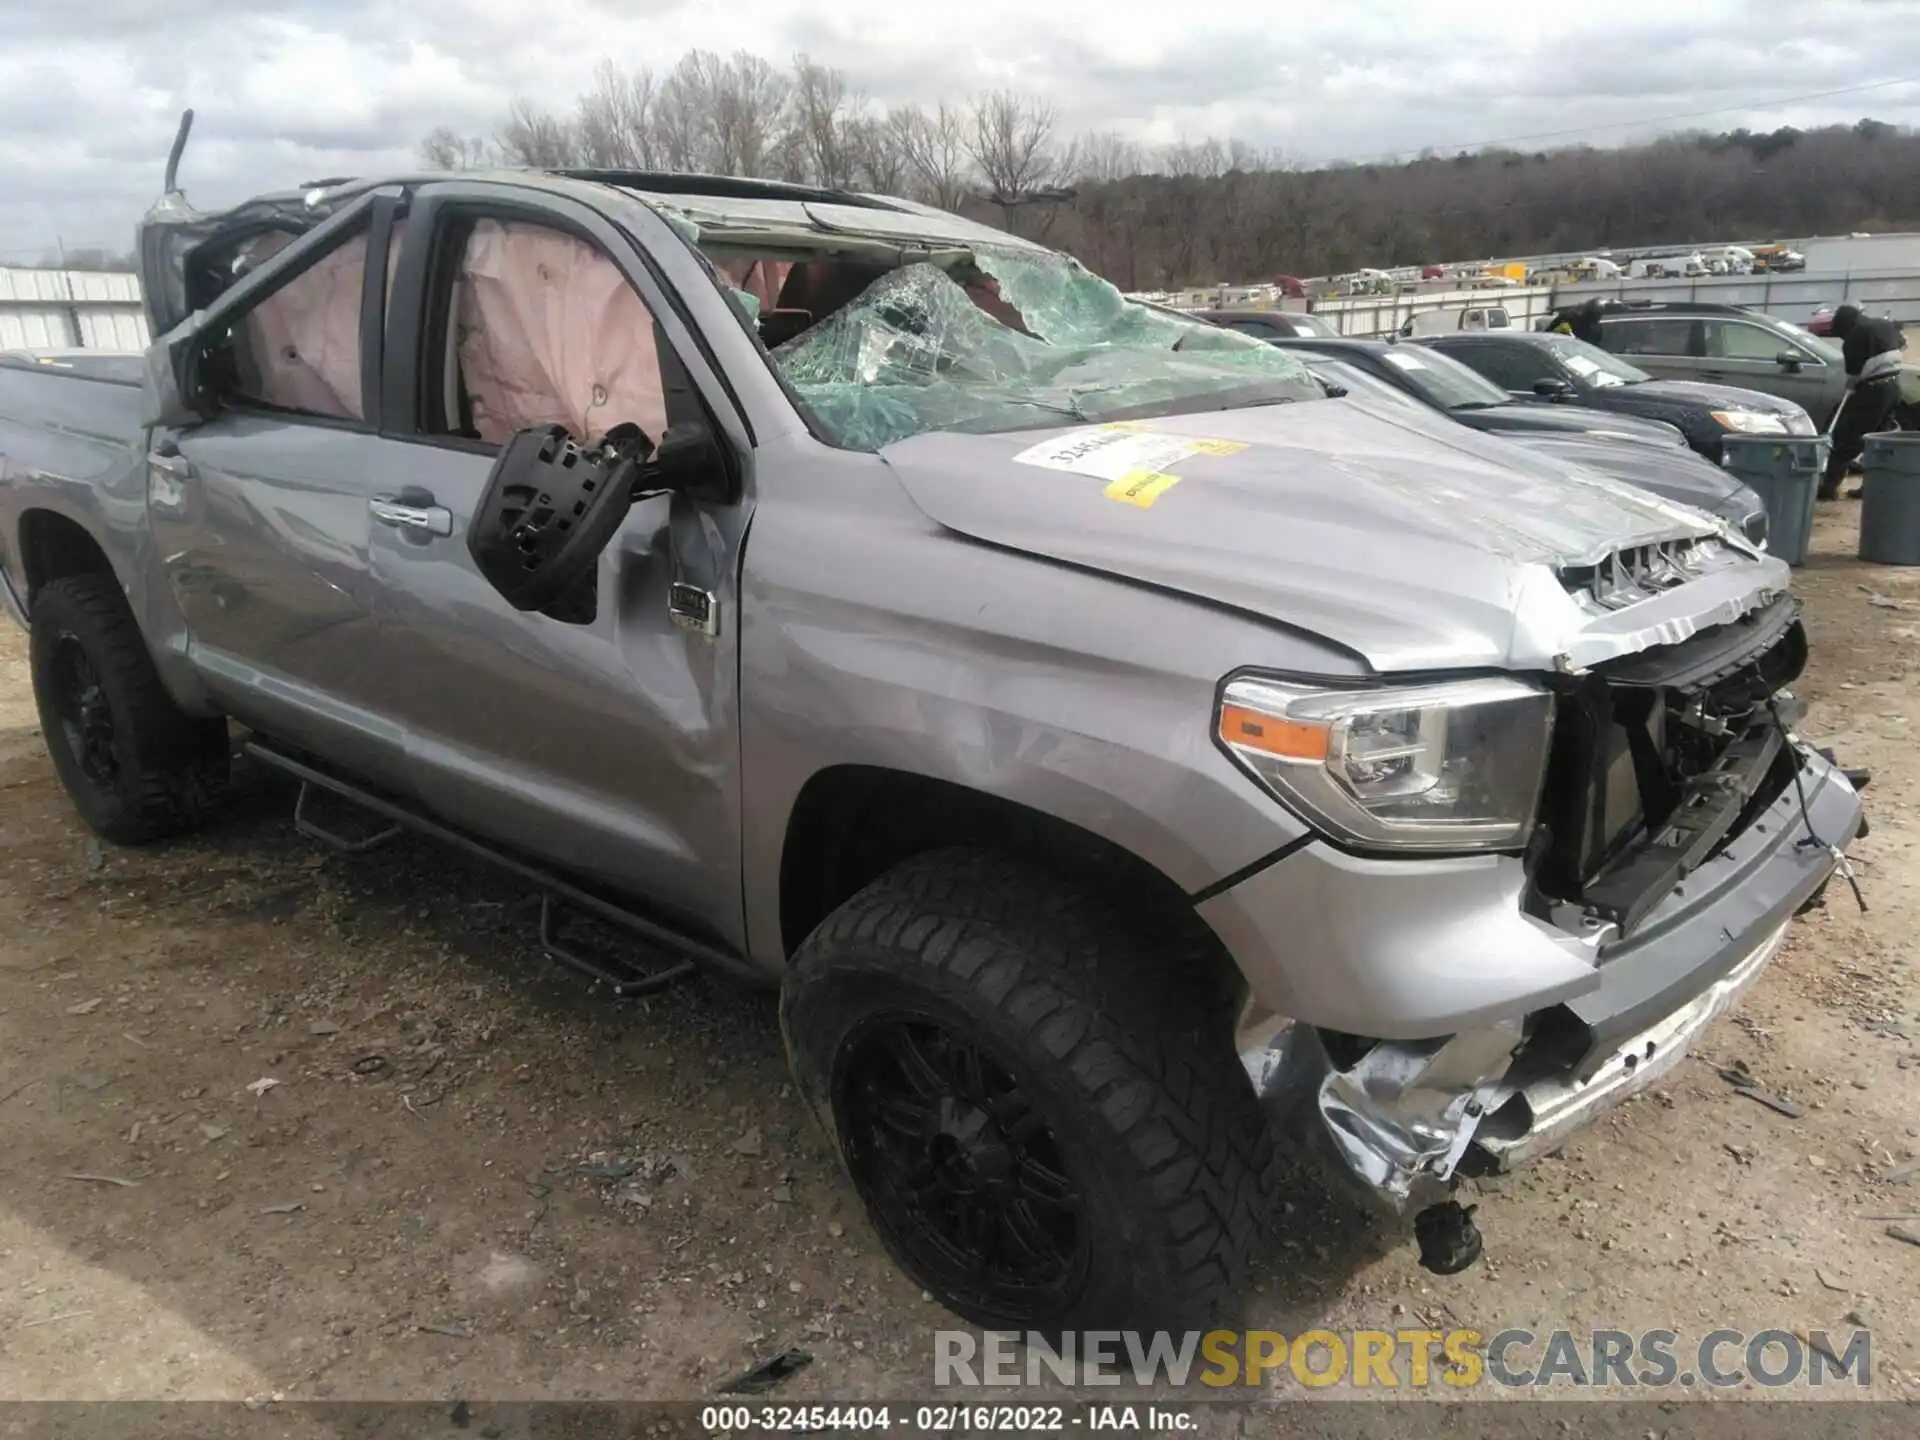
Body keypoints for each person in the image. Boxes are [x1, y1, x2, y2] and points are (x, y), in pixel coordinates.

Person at [1820, 304, 1906, 499]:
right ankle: (1873, 486)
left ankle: (1829, 487)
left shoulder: (1853, 337)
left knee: (1847, 436)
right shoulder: (1884, 326)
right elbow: (1902, 343)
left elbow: (1854, 372)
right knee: (1878, 440)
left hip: (1872, 391)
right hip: (1893, 386)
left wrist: (1852, 385)